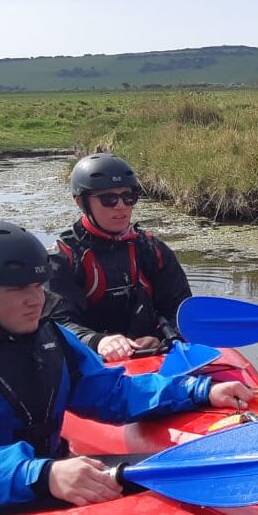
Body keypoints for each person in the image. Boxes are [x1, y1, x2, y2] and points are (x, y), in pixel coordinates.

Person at [0, 219, 254, 515]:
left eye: (37, 285)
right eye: (17, 289)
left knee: (184, 473)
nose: (35, 300)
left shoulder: (52, 338)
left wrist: (198, 390)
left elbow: (112, 394)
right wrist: (41, 474)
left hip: (50, 477)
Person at [48, 153, 192, 362]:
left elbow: (180, 308)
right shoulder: (63, 258)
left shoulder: (152, 249)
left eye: (128, 197)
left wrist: (162, 337)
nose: (121, 206)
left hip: (153, 356)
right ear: (81, 202)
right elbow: (57, 322)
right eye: (108, 199)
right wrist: (97, 341)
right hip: (91, 362)